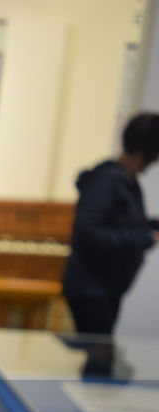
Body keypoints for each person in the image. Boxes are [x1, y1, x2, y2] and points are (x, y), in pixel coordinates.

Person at [62, 112, 159, 335]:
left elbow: (124, 222)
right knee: (99, 358)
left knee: (99, 357)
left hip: (106, 287)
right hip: (91, 288)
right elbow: (86, 232)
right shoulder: (107, 180)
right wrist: (145, 238)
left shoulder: (126, 181)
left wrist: (150, 227)